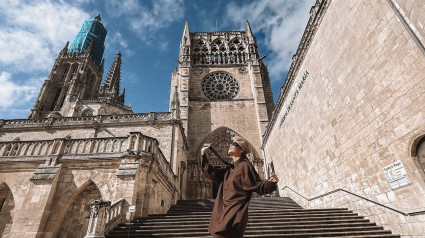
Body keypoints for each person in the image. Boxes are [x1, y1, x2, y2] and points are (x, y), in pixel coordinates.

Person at [201, 136, 279, 238]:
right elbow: (211, 173)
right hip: (222, 211)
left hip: (234, 214)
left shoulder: (246, 166)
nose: (230, 145)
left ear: (241, 150)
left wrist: (271, 183)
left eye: (234, 144)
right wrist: (203, 155)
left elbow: (258, 186)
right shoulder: (229, 168)